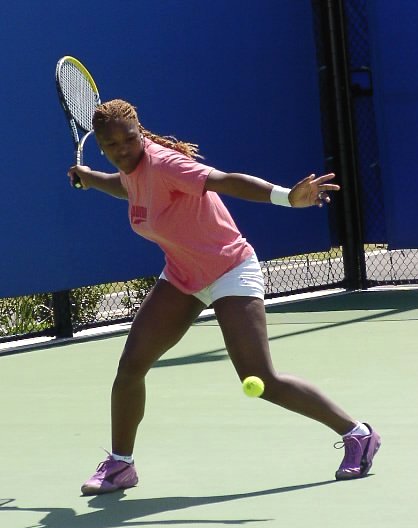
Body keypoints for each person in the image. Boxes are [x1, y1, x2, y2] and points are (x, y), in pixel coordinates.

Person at [68, 99, 381, 495]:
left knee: (260, 379)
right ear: (100, 146)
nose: (123, 150)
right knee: (131, 367)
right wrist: (92, 178)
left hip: (230, 269)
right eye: (112, 145)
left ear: (140, 133)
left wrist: (287, 196)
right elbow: (128, 187)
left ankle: (358, 434)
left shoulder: (166, 164)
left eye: (129, 140)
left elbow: (226, 180)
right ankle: (120, 464)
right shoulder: (131, 169)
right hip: (182, 275)